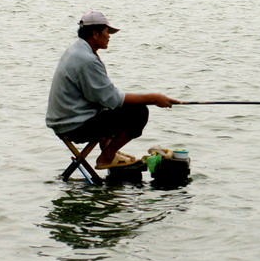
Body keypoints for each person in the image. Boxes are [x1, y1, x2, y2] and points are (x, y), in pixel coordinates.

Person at [46, 11, 180, 169]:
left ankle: (108, 149)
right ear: (95, 34)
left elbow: (102, 96)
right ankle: (107, 156)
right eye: (106, 32)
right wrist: (153, 98)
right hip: (73, 126)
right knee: (139, 112)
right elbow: (113, 99)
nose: (109, 36)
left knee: (120, 108)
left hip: (65, 121)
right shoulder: (87, 60)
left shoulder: (77, 50)